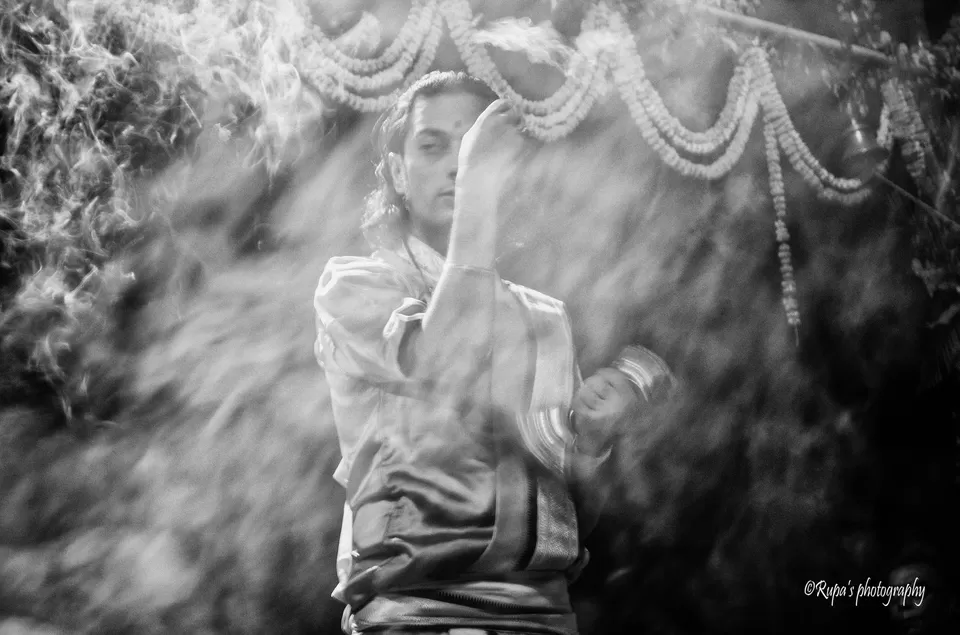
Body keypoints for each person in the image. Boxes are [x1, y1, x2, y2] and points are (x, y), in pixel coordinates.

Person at [313, 71, 673, 635]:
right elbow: (443, 357)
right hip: (414, 616)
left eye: (475, 148)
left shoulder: (546, 317)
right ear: (399, 174)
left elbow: (567, 516)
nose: (459, 165)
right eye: (434, 146)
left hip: (543, 618)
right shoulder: (355, 287)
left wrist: (593, 447)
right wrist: (477, 189)